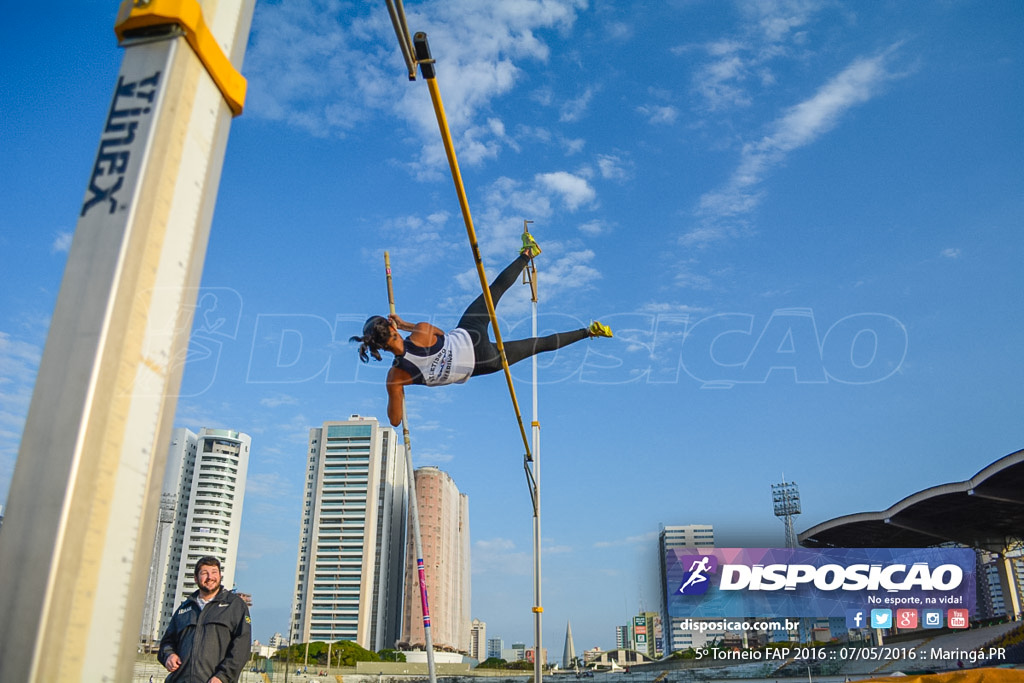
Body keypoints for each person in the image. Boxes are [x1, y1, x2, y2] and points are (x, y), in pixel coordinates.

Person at [352, 235, 613, 426]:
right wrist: (406, 324)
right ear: (392, 327)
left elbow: (396, 420)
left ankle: (589, 332)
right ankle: (528, 254)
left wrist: (398, 391)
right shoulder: (419, 332)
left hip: (482, 362)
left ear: (378, 347)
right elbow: (441, 334)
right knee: (495, 291)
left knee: (538, 345)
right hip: (469, 333)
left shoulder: (396, 377)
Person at [158, 556, 251, 683]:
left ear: (220, 575)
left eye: (214, 572)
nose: (210, 577)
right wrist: (169, 655)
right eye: (204, 573)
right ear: (196, 578)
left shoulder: (235, 605)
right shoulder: (184, 609)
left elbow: (242, 647)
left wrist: (223, 677)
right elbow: (166, 643)